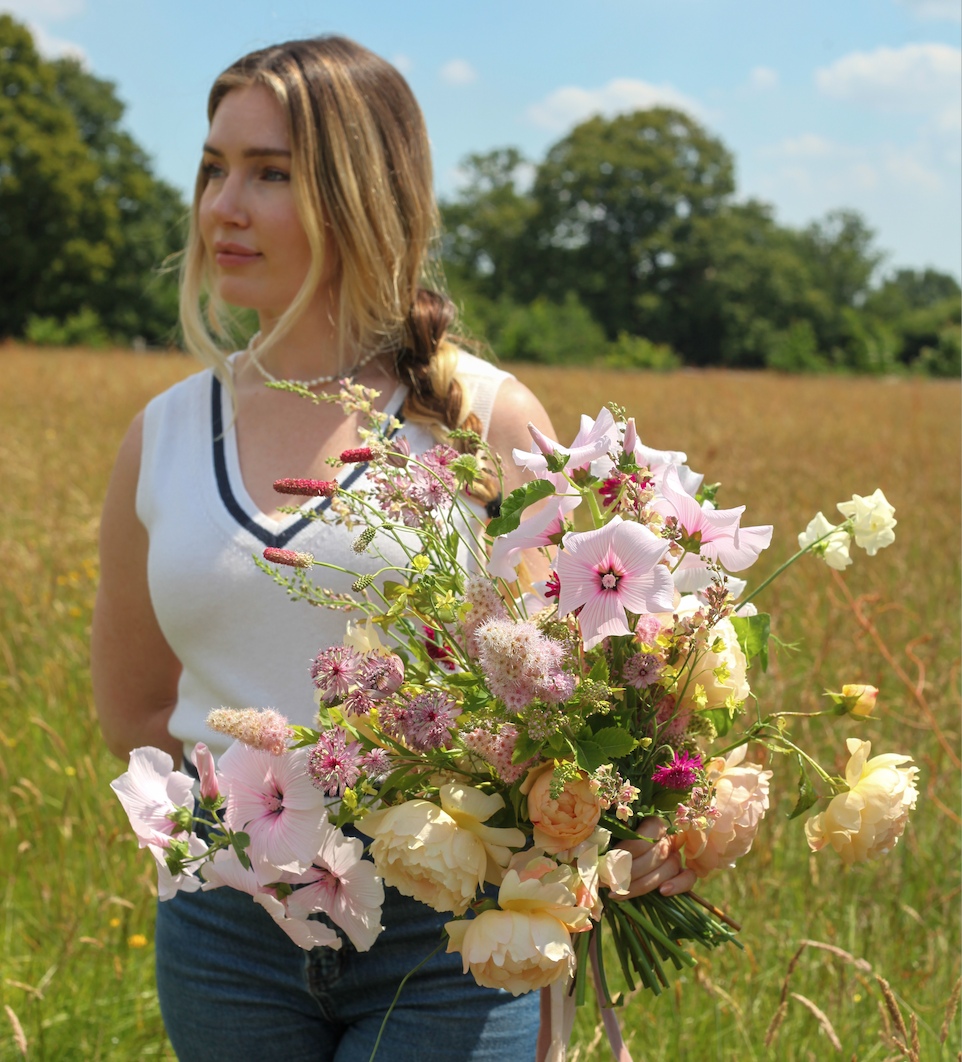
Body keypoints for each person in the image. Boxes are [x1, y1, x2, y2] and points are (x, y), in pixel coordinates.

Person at [91, 36, 695, 1062]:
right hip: (223, 937)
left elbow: (580, 693)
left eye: (270, 173)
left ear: (362, 194)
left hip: (450, 939)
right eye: (213, 168)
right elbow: (137, 713)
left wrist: (650, 811)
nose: (222, 206)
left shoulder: (488, 419)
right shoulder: (164, 434)